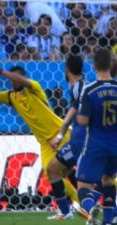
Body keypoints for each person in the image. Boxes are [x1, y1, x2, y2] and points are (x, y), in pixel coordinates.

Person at [0, 65, 79, 213]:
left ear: (24, 78)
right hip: (45, 143)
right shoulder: (12, 96)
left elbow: (20, 80)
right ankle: (68, 209)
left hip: (61, 135)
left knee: (83, 171)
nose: (14, 80)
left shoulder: (34, 88)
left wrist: (1, 72)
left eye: (16, 77)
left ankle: (99, 195)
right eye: (12, 78)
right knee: (50, 173)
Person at [76, 49, 117, 225]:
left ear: (94, 66)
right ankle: (108, 221)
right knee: (108, 179)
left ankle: (88, 208)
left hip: (95, 144)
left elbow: (83, 120)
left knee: (83, 185)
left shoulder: (89, 89)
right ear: (112, 64)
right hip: (115, 144)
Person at [46, 55, 89, 220]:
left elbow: (74, 110)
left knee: (53, 169)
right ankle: (67, 210)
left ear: (67, 70)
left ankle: (85, 208)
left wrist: (60, 134)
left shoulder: (79, 87)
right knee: (57, 170)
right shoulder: (79, 87)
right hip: (79, 140)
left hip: (81, 142)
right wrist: (61, 134)